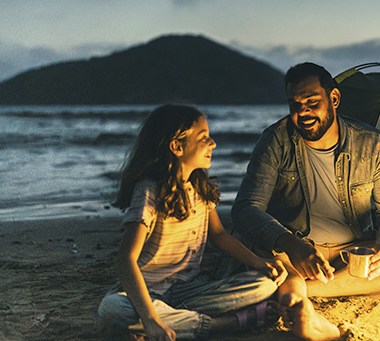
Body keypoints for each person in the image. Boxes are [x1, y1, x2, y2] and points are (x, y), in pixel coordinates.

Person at [231, 62, 380, 340]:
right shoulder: (275, 141)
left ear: (334, 99)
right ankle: (302, 296)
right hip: (292, 253)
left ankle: (299, 292)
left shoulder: (372, 143)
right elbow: (246, 209)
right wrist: (291, 244)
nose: (303, 112)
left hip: (348, 254)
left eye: (312, 102)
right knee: (268, 258)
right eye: (295, 105)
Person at [97, 104, 288, 341]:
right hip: (145, 293)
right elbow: (126, 260)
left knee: (265, 284)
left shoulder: (198, 187)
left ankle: (175, 318)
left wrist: (259, 262)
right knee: (113, 310)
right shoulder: (149, 190)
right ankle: (225, 323)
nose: (213, 144)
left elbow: (218, 235)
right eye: (204, 138)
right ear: (177, 146)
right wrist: (150, 318)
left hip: (191, 290)